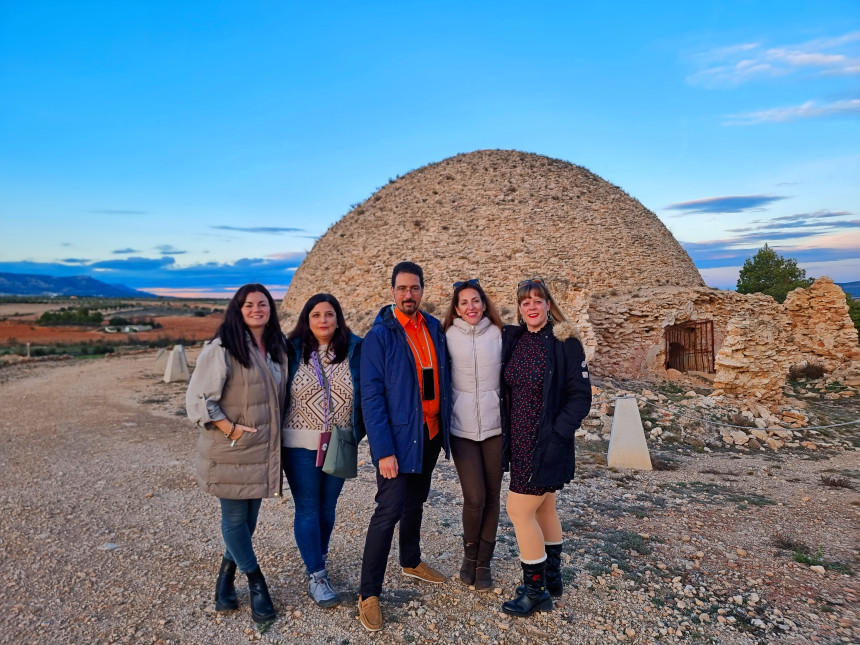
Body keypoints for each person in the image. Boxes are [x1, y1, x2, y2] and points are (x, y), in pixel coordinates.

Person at [357, 261, 452, 632]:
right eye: (402, 289)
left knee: (417, 500)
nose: (408, 294)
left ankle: (410, 560)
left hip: (428, 433)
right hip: (397, 439)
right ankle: (369, 593)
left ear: (423, 290)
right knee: (388, 510)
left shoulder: (432, 327)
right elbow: (372, 396)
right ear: (392, 291)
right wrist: (383, 451)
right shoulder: (380, 335)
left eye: (414, 288)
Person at [186, 283, 288, 624]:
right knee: (233, 521)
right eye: (249, 305)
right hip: (231, 449)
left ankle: (224, 581)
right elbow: (201, 400)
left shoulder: (276, 347)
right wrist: (230, 428)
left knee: (249, 523)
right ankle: (257, 582)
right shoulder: (223, 347)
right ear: (238, 309)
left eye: (263, 303)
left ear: (270, 309)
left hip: (261, 451)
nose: (257, 309)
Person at [499, 278, 591, 617]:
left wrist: (557, 436)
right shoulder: (518, 340)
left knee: (519, 511)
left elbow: (581, 397)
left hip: (545, 443)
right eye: (525, 302)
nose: (532, 307)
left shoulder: (564, 343)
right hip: (519, 443)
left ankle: (535, 591)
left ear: (549, 305)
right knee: (543, 508)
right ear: (520, 309)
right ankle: (552, 580)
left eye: (538, 300)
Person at [282, 293, 363, 608]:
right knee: (307, 508)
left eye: (329, 314)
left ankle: (318, 557)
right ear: (307, 319)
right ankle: (316, 575)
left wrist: (359, 432)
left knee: (328, 507)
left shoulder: (355, 350)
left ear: (338, 318)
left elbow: (369, 392)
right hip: (299, 443)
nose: (323, 320)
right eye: (316, 315)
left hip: (340, 442)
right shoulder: (291, 351)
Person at [442, 279, 504, 590]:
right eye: (464, 302)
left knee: (493, 497)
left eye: (476, 301)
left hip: (495, 427)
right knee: (475, 497)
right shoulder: (447, 336)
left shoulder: (499, 333)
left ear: (484, 303)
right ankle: (469, 555)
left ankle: (483, 564)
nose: (471, 307)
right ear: (456, 308)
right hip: (461, 428)